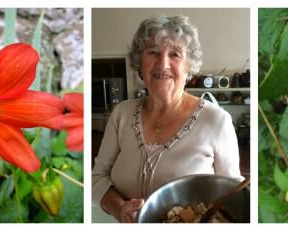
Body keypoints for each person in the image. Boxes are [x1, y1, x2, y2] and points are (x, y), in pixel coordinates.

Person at [91, 15, 242, 223]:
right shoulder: (121, 114)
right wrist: (119, 208)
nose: (162, 65)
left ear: (189, 66)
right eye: (152, 52)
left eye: (175, 54)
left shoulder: (216, 121)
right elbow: (97, 178)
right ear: (139, 63)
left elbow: (234, 195)